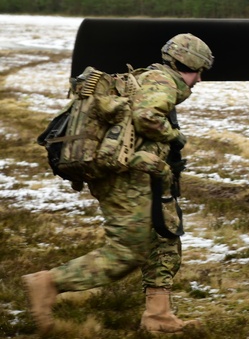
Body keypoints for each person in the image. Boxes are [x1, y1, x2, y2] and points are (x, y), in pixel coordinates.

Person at [22, 33, 213, 335]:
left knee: (163, 240)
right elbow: (146, 116)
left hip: (144, 176)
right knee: (127, 252)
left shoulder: (152, 79)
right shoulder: (162, 83)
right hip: (126, 178)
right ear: (185, 64)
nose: (199, 79)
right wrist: (174, 136)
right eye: (197, 71)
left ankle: (158, 315)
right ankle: (49, 282)